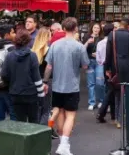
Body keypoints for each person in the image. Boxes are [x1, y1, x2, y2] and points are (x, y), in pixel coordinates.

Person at [43, 18, 87, 155]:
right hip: (72, 85)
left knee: (60, 113)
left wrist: (45, 81)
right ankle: (64, 144)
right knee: (70, 115)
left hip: (57, 85)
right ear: (75, 29)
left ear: (63, 28)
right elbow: (85, 65)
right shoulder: (79, 46)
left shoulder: (55, 45)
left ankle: (63, 143)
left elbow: (49, 66)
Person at [98, 19, 129, 128]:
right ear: (128, 26)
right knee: (126, 91)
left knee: (116, 92)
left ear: (120, 25)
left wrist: (107, 69)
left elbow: (108, 54)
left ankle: (117, 119)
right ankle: (123, 118)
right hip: (127, 66)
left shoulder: (112, 35)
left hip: (115, 66)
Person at [2, 29, 46, 123]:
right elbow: (37, 78)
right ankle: (33, 138)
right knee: (33, 121)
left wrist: (11, 83)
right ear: (28, 41)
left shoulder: (9, 56)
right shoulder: (32, 56)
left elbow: (4, 74)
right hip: (31, 94)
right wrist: (41, 96)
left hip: (15, 93)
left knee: (19, 122)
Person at [31, 28, 53, 127]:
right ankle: (42, 131)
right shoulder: (49, 50)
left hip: (34, 82)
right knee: (46, 109)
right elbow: (49, 67)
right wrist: (45, 81)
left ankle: (35, 130)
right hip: (46, 81)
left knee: (36, 108)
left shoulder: (32, 51)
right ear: (47, 37)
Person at [83, 23, 102, 110]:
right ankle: (92, 102)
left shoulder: (102, 38)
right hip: (90, 61)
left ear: (100, 29)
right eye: (95, 27)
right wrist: (87, 42)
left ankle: (101, 101)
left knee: (100, 83)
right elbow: (82, 49)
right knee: (91, 83)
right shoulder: (87, 36)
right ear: (92, 28)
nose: (96, 29)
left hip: (99, 62)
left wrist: (98, 54)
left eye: (98, 28)